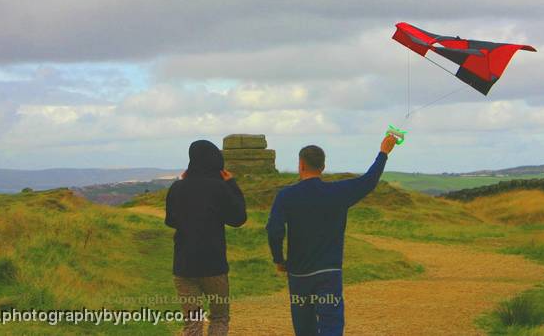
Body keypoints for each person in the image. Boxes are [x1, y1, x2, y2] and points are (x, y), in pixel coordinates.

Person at [266, 134, 398, 335]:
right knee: (331, 326)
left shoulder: (286, 195)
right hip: (329, 273)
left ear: (301, 165)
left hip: (299, 274)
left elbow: (274, 229)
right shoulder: (338, 192)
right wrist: (383, 152)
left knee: (304, 329)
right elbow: (369, 181)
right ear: (323, 167)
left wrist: (278, 259)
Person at [165, 139, 247, 336]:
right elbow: (238, 218)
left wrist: (181, 183)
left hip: (184, 264)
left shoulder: (177, 188)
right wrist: (232, 184)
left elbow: (171, 221)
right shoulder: (219, 188)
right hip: (214, 264)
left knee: (192, 322)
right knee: (219, 317)